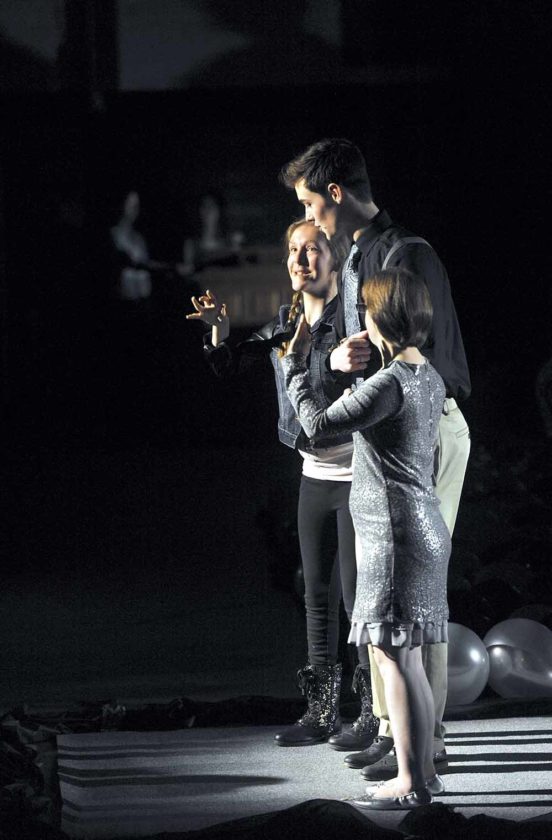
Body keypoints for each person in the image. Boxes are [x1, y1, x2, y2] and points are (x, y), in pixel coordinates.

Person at [280, 138, 471, 778]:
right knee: (382, 595)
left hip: (421, 428)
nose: (310, 218)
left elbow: (427, 365)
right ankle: (394, 730)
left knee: (416, 597)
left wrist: (364, 379)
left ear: (336, 194)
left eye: (312, 203)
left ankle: (426, 743)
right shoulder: (360, 255)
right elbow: (363, 350)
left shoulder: (407, 254)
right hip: (384, 429)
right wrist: (342, 360)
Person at [186, 220, 378, 749]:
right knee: (316, 597)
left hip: (357, 473)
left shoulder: (353, 321)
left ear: (335, 259)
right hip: (314, 477)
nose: (300, 259)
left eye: (312, 249)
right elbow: (230, 365)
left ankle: (373, 714)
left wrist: (335, 362)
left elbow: (367, 383)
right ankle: (321, 712)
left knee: (358, 601)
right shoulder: (286, 322)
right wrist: (219, 330)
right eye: (293, 250)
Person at [282, 268, 450, 808]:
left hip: (393, 536)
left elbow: (315, 424)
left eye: (368, 310)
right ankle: (422, 774)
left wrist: (293, 366)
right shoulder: (427, 375)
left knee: (394, 658)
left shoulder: (390, 384)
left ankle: (410, 779)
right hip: (420, 528)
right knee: (406, 659)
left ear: (381, 318)